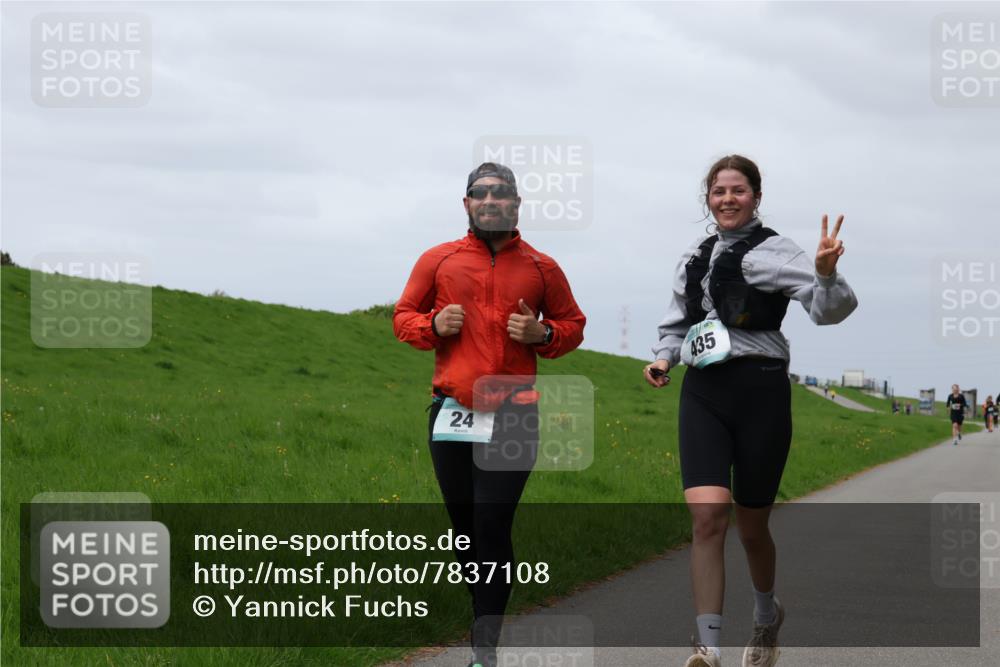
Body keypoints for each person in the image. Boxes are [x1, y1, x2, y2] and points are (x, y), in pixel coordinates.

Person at [644, 155, 858, 667]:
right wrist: (662, 357)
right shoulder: (692, 256)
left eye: (738, 190)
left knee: (751, 523)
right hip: (703, 390)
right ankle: (707, 647)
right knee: (708, 516)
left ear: (756, 197)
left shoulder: (779, 252)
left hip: (760, 390)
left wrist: (826, 275)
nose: (727, 199)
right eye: (718, 191)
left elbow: (831, 312)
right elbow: (676, 323)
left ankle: (766, 616)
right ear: (708, 198)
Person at [393, 162, 586, 667]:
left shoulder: (543, 267)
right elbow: (403, 318)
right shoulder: (438, 261)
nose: (491, 200)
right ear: (467, 204)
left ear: (517, 205)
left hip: (514, 415)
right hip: (451, 413)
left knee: (492, 522)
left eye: (502, 194)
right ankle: (481, 610)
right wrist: (433, 324)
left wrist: (543, 335)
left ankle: (484, 648)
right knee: (464, 528)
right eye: (481, 193)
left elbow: (572, 324)